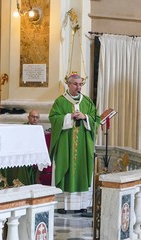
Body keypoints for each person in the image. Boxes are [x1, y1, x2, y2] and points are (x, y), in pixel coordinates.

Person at [49, 74, 100, 214]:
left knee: (82, 169)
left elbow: (97, 119)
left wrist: (86, 117)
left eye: (80, 84)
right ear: (68, 85)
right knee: (65, 167)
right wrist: (68, 117)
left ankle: (82, 204)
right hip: (65, 144)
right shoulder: (60, 102)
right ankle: (62, 205)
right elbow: (53, 118)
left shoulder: (88, 102)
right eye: (75, 84)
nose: (78, 87)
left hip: (84, 143)